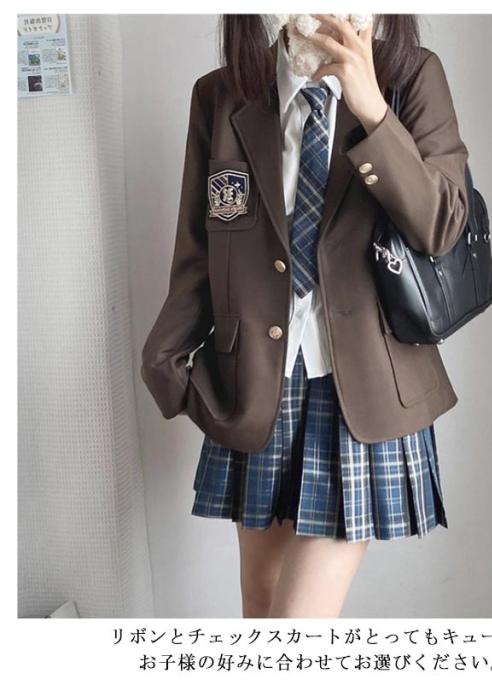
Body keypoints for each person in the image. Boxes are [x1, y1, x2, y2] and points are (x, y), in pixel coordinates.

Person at [141, 14, 469, 618]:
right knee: (261, 604)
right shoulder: (222, 95)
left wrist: (372, 110)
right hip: (256, 384)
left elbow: (441, 224)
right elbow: (200, 248)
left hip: (361, 390)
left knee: (297, 623)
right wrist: (164, 364)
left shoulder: (412, 77)